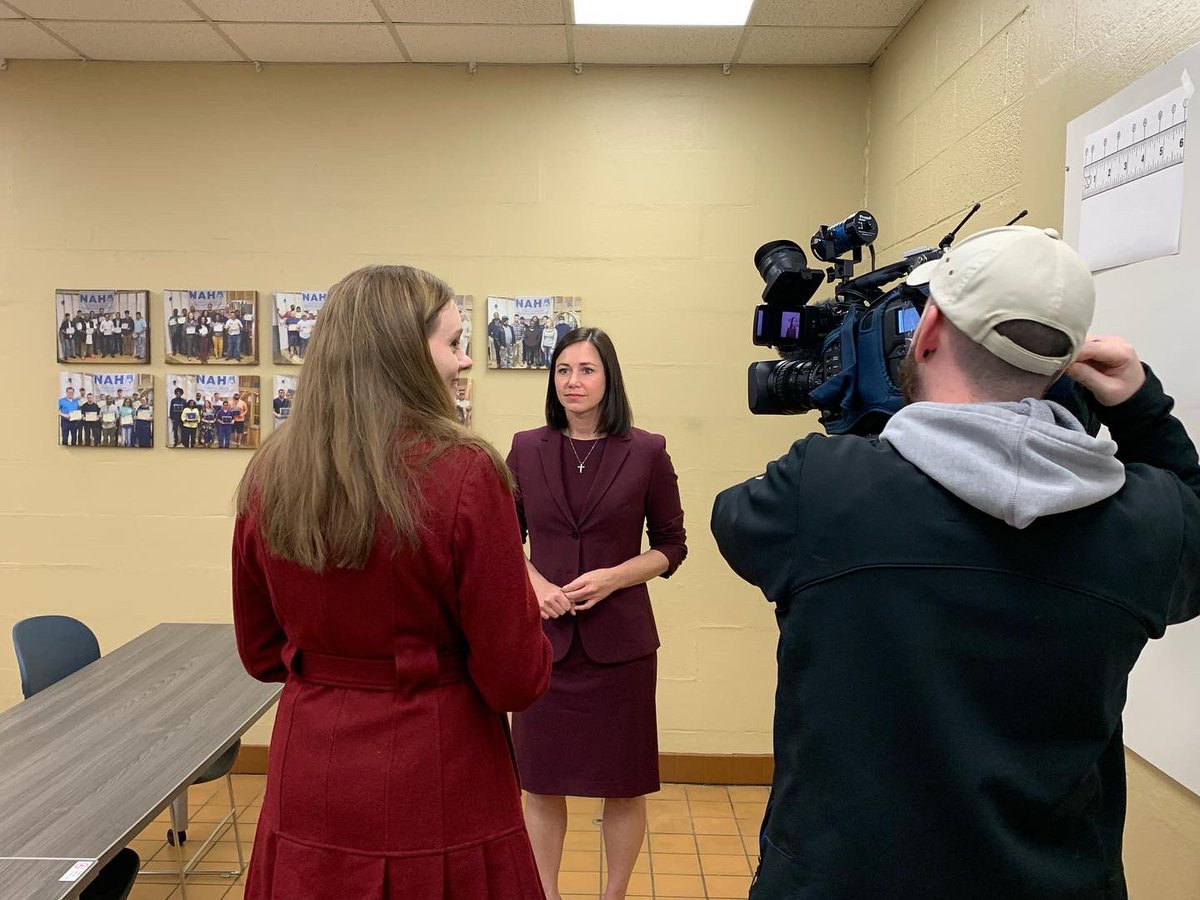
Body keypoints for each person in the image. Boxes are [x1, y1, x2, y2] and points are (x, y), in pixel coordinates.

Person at [710, 226, 1200, 900]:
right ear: (1066, 363)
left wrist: (876, 424)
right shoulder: (1147, 520)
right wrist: (1143, 411)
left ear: (931, 328)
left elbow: (732, 521)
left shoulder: (822, 486)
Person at [232, 264, 552, 900]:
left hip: (312, 768)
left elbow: (261, 654)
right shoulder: (465, 472)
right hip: (438, 770)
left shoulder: (271, 472)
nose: (465, 361)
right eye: (454, 343)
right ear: (404, 353)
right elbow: (514, 676)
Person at [507, 327, 687, 900]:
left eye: (586, 370)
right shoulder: (525, 448)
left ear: (609, 378)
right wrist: (535, 584)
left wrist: (614, 577)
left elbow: (671, 546)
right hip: (545, 647)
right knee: (540, 784)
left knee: (624, 786)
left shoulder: (647, 450)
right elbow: (502, 538)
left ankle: (614, 895)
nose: (573, 381)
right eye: (562, 370)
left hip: (621, 649)